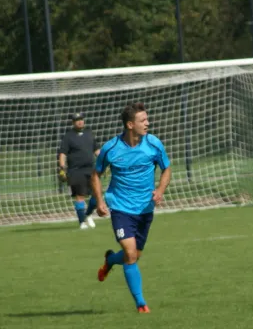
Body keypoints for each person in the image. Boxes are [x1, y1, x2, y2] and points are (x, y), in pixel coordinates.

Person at [90, 102, 171, 313]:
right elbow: (96, 175)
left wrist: (160, 190)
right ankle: (141, 303)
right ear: (129, 125)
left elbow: (167, 169)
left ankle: (110, 260)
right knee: (130, 252)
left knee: (134, 255)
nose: (148, 123)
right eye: (142, 120)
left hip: (145, 209)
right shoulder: (111, 148)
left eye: (147, 119)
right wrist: (99, 202)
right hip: (121, 208)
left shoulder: (153, 144)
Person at [58, 112, 100, 230]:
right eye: (77, 120)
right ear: (73, 122)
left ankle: (88, 214)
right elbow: (63, 153)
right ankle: (82, 222)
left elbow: (96, 150)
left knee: (97, 195)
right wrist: (62, 168)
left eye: (81, 119)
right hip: (76, 171)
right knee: (80, 196)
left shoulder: (89, 133)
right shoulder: (68, 136)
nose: (80, 121)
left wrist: (104, 162)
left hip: (90, 169)